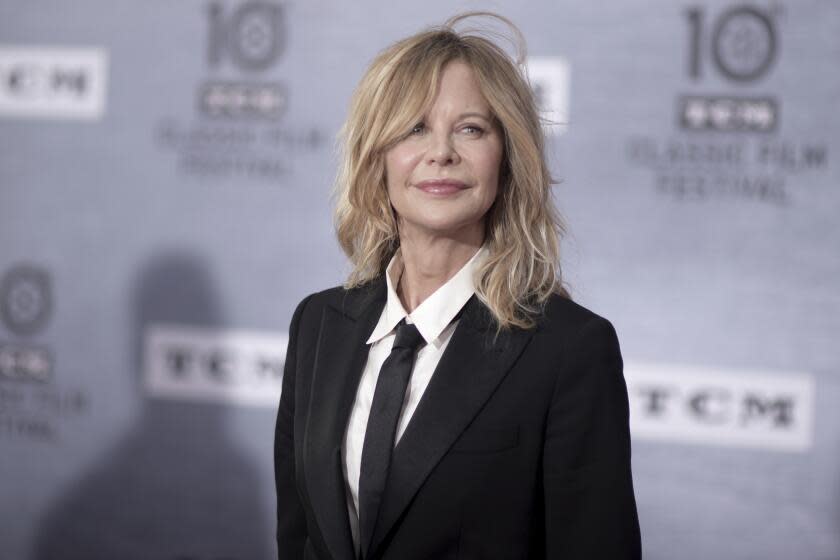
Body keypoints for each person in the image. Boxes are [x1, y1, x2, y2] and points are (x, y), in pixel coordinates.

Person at [274, 11, 641, 560]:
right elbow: (300, 537)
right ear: (377, 157)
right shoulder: (319, 325)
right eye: (413, 128)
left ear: (507, 158)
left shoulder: (569, 350)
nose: (440, 152)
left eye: (471, 129)